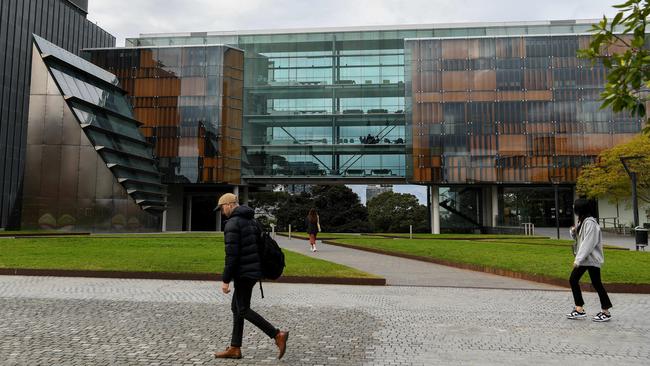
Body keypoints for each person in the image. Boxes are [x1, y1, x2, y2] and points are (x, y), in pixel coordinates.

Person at [214, 193, 289, 359]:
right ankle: (235, 347)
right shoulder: (252, 221)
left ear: (228, 205)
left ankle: (277, 335)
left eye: (221, 208)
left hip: (244, 273)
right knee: (237, 308)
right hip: (254, 271)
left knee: (242, 309)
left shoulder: (233, 224)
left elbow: (232, 256)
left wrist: (226, 280)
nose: (222, 211)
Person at [566, 198, 613, 322]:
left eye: (575, 206)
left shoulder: (590, 222)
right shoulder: (583, 221)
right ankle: (579, 309)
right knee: (575, 280)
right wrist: (573, 231)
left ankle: (605, 311)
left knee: (595, 283)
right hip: (586, 259)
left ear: (580, 208)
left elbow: (588, 243)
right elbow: (580, 238)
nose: (573, 208)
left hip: (590, 259)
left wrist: (578, 260)